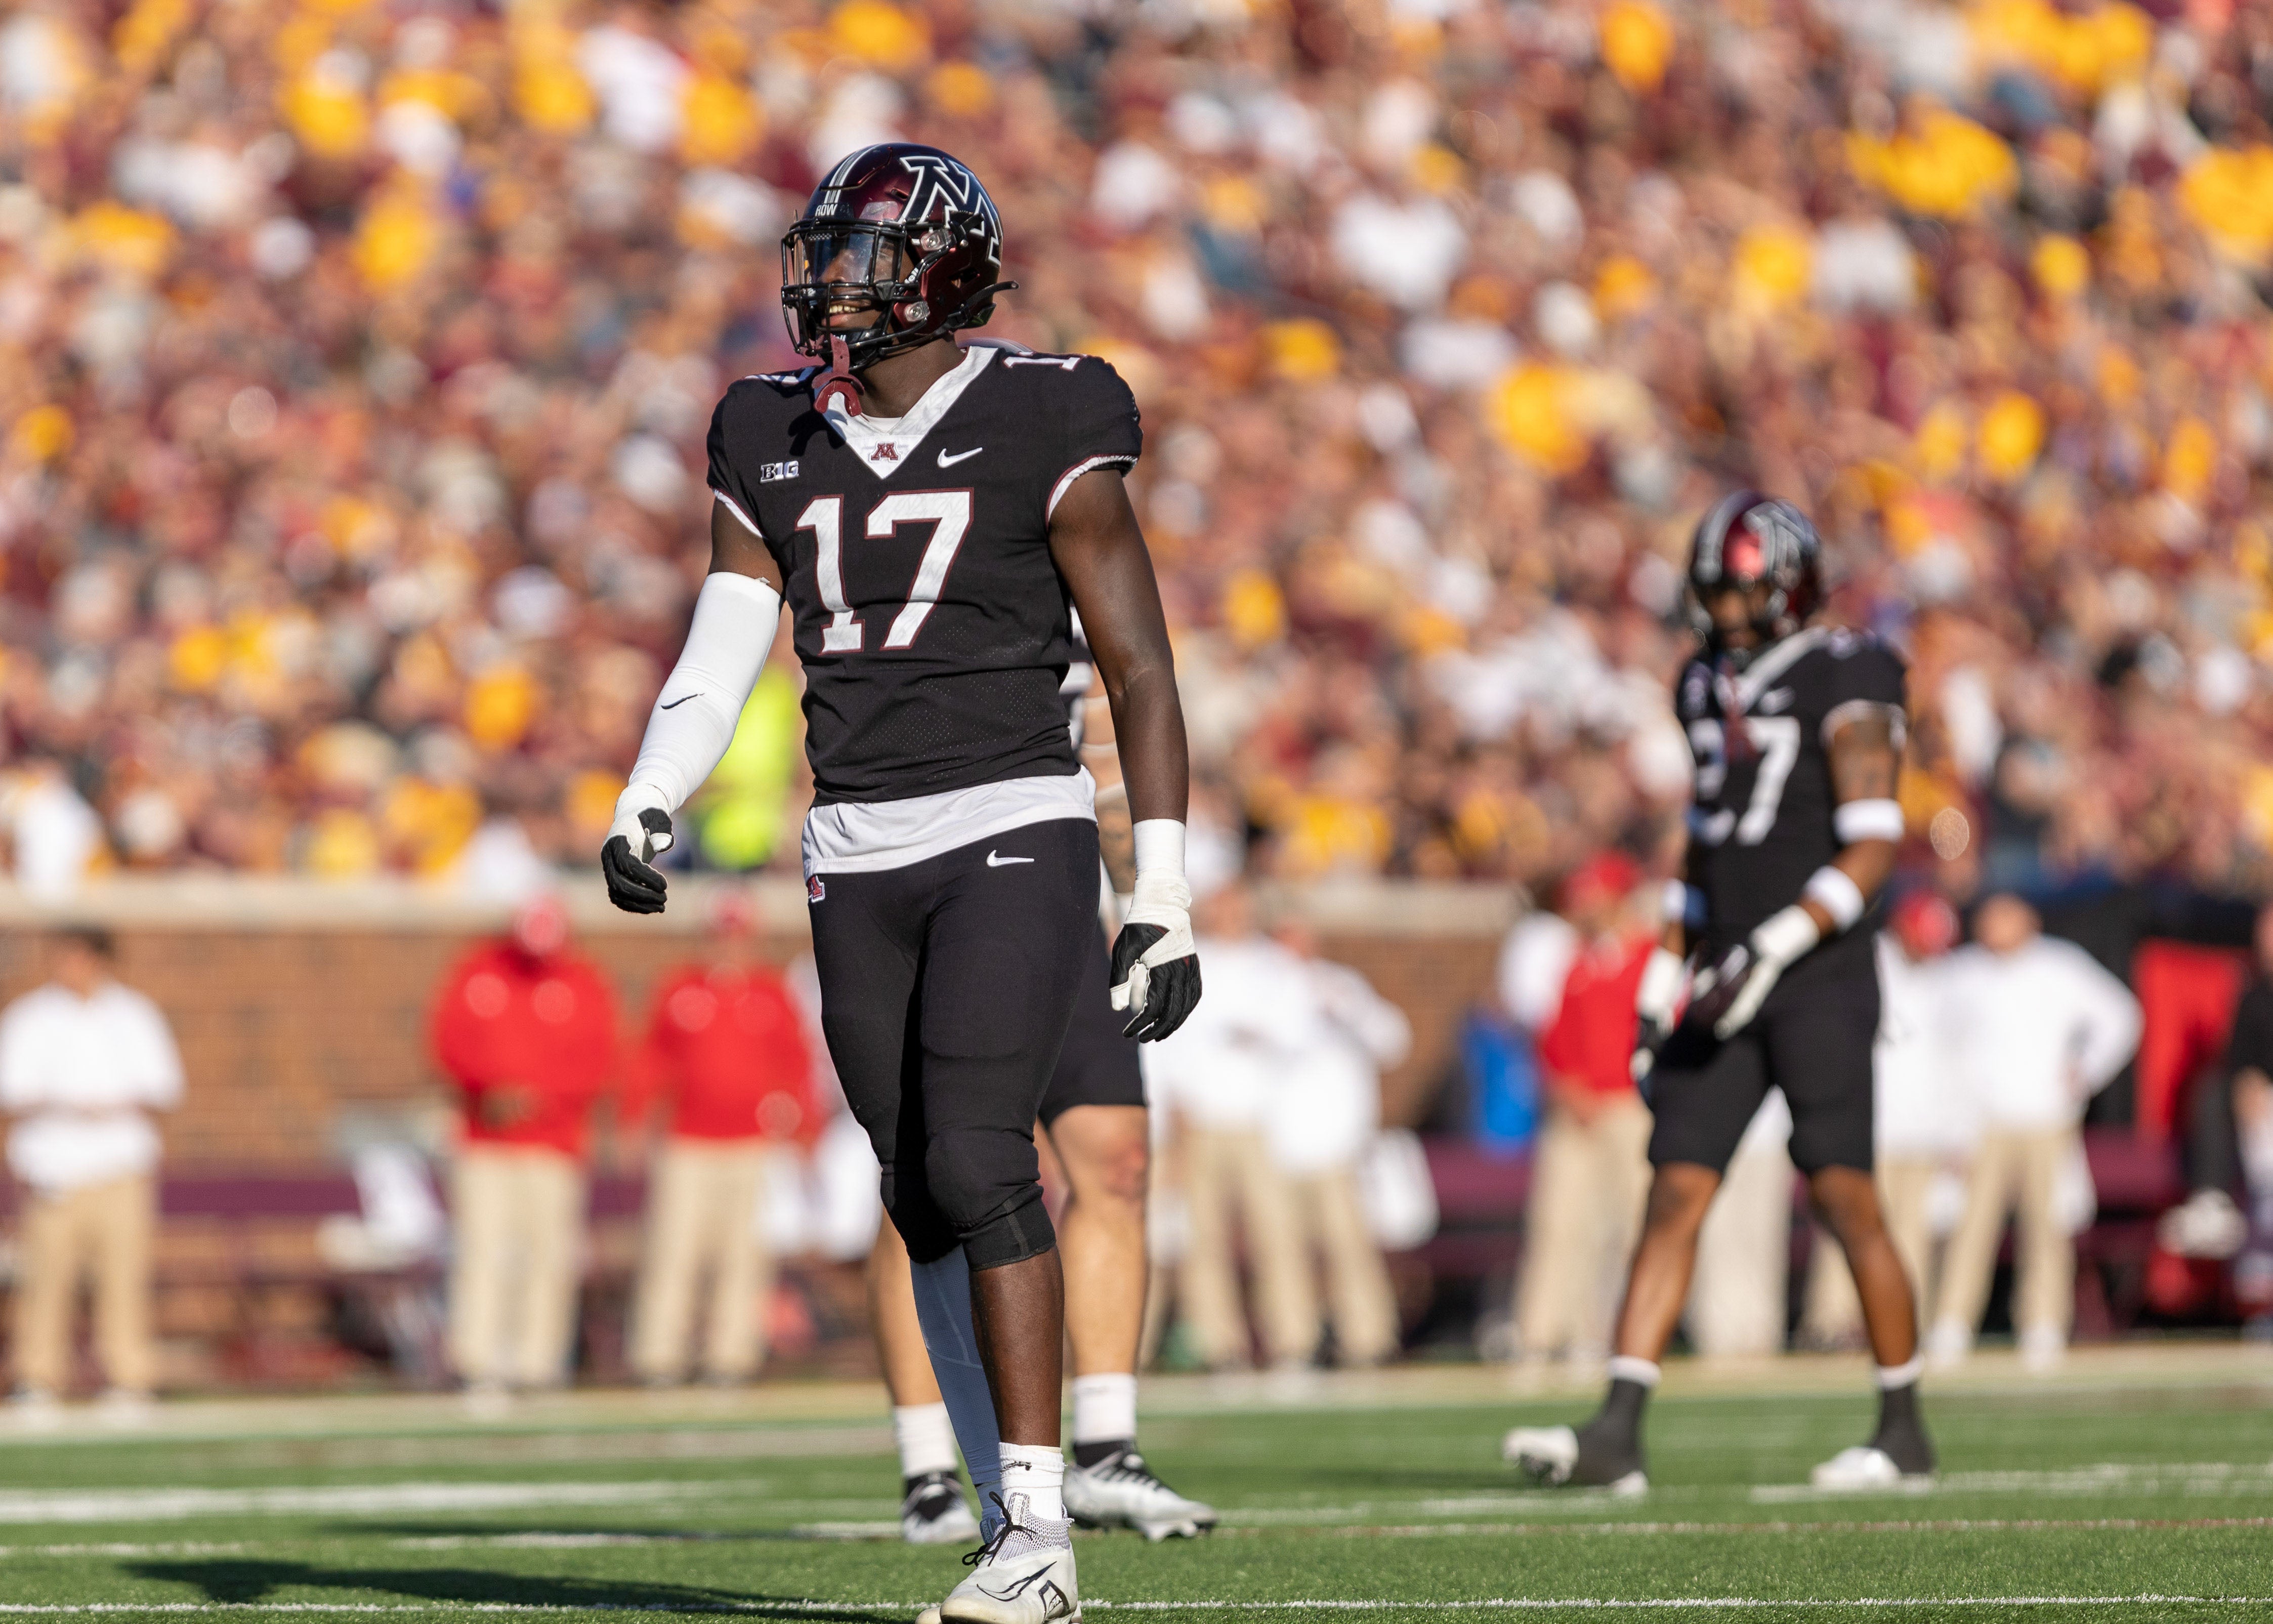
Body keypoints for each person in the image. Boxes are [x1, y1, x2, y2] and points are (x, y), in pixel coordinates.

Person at [600, 143, 1200, 1624]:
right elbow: (733, 624)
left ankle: (1041, 1538)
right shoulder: (767, 430)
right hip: (851, 845)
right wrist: (649, 794)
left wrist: (1163, 887)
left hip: (1011, 820)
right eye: (828, 255)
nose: (829, 284)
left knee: (987, 1157)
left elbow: (1138, 659)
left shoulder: (1049, 409)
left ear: (939, 272)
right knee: (920, 1183)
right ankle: (1007, 1514)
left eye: (862, 258)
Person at [1503, 492, 1934, 1493]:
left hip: (1814, 970)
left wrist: (1774, 945)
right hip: (1722, 967)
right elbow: (1704, 841)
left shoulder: (1847, 670)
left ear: (1787, 589)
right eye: (1715, 595)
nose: (1727, 615)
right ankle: (1615, 1431)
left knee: (1841, 1190)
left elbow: (1872, 841)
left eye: (1743, 594)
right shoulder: (1699, 680)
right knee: (1675, 1184)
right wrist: (1666, 970)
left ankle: (1901, 1424)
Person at [872, 634, 1213, 1546]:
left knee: (1119, 1158)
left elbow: (1107, 735)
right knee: (933, 1175)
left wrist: (1149, 900)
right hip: (935, 891)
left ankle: (1104, 1444)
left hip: (1060, 905)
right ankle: (928, 1463)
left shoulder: (1058, 539)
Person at [1928, 893, 2140, 1372]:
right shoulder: (1963, 973)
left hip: (2047, 1118)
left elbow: (2123, 1015)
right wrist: (1950, 1121)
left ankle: (2043, 1324)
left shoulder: (2061, 966)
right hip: (1983, 1121)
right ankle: (1952, 1325)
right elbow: (1942, 1050)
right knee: (1971, 1226)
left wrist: (2083, 1070)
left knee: (2047, 1225)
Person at [429, 893, 619, 1393]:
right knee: (482, 1251)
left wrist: (540, 1098)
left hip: (553, 1143)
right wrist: (487, 1087)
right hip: (484, 1141)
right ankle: (476, 1361)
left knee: (547, 1256)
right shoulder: (479, 972)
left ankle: (539, 1364)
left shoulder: (580, 982)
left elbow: (596, 1060)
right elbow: (448, 1041)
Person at [626, 888, 816, 1387]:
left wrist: (804, 1131)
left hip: (750, 1142)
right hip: (688, 1140)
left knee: (742, 1255)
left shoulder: (770, 994)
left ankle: (730, 1358)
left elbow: (795, 1067)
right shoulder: (680, 989)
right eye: (721, 936)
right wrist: (634, 1119)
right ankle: (659, 1355)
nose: (729, 947)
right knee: (675, 1249)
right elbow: (651, 1061)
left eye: (737, 936)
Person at [0, 928, 182, 1405]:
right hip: (54, 1168)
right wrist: (69, 1105)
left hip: (119, 1165)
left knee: (123, 1277)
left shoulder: (135, 1014)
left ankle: (129, 1377)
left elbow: (163, 1086)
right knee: (45, 1278)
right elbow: (13, 1088)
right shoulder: (30, 1017)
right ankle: (37, 1378)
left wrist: (110, 1106)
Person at [1510, 852, 1656, 1371]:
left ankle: (1609, 1333)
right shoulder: (1577, 962)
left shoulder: (1648, 959)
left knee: (1627, 1227)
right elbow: (1554, 1037)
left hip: (1627, 1106)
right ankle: (1542, 1333)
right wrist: (1567, 1086)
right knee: (1560, 1223)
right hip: (1576, 1109)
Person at [1803, 892, 1964, 1346]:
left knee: (1911, 1235)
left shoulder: (1947, 980)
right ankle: (1831, 1325)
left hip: (1924, 1132)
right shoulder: (1863, 966)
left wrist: (1957, 1132)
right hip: (1867, 1125)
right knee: (1849, 1228)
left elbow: (1954, 1062)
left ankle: (1897, 1325)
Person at [1262, 917, 1411, 1370]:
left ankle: (1368, 1338)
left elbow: (1393, 1041)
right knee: (1282, 1252)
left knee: (1350, 1247)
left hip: (1335, 1145)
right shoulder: (1259, 990)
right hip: (1276, 1143)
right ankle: (1294, 1342)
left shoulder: (1343, 985)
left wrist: (1349, 1010)